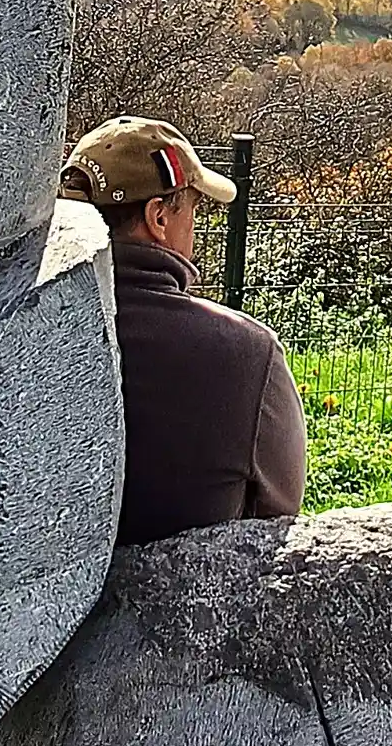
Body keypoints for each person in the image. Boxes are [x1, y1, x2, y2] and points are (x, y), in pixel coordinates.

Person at [60, 116, 307, 545]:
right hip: (189, 606)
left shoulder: (25, 338)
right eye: (192, 207)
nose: (193, 224)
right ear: (159, 217)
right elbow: (278, 520)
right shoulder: (249, 353)